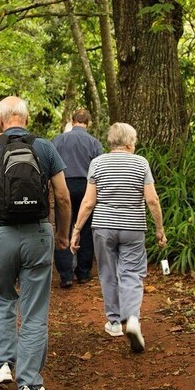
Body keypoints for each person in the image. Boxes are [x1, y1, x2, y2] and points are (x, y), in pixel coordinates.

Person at [0, 96, 71, 390]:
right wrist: (61, 234)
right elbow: (62, 196)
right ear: (27, 117)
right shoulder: (45, 147)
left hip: (0, 234)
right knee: (34, 311)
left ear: (0, 121)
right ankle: (29, 386)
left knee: (3, 298)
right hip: (38, 233)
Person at [70, 122, 166, 353]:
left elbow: (89, 201)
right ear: (130, 143)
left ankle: (114, 322)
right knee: (132, 273)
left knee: (107, 272)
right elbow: (152, 200)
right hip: (133, 228)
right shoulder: (141, 163)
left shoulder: (98, 163)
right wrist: (159, 229)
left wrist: (76, 229)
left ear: (110, 143)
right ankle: (132, 318)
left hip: (103, 227)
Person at [51, 109, 103, 288]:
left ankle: (65, 274)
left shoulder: (58, 140)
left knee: (62, 228)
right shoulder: (94, 143)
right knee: (86, 227)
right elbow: (99, 170)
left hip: (63, 186)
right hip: (87, 186)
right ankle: (83, 272)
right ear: (88, 122)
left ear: (72, 121)